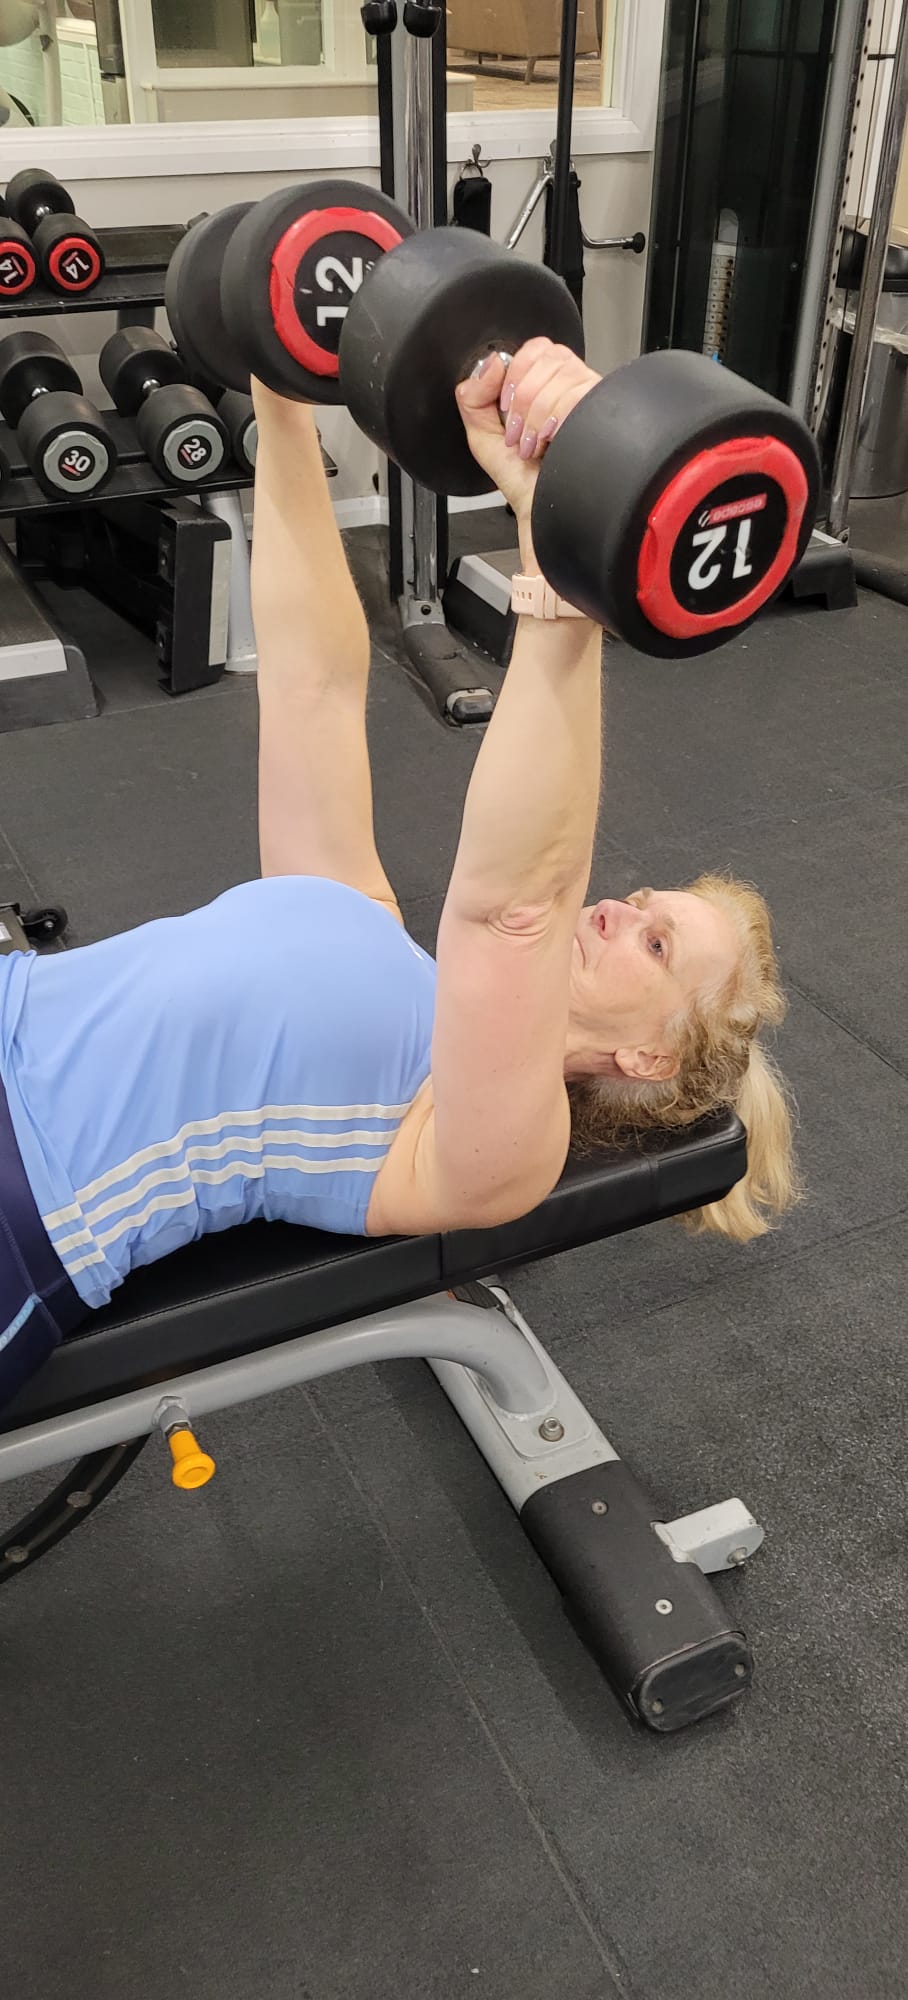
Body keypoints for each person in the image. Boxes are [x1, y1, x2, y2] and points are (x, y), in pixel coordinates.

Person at [0, 337, 799, 1410]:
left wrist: (559, 555)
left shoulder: (495, 1150)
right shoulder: (368, 926)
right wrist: (281, 393)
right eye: (642, 900)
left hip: (25, 1196)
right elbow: (310, 687)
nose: (614, 908)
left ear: (644, 1054)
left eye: (653, 943)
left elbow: (513, 912)